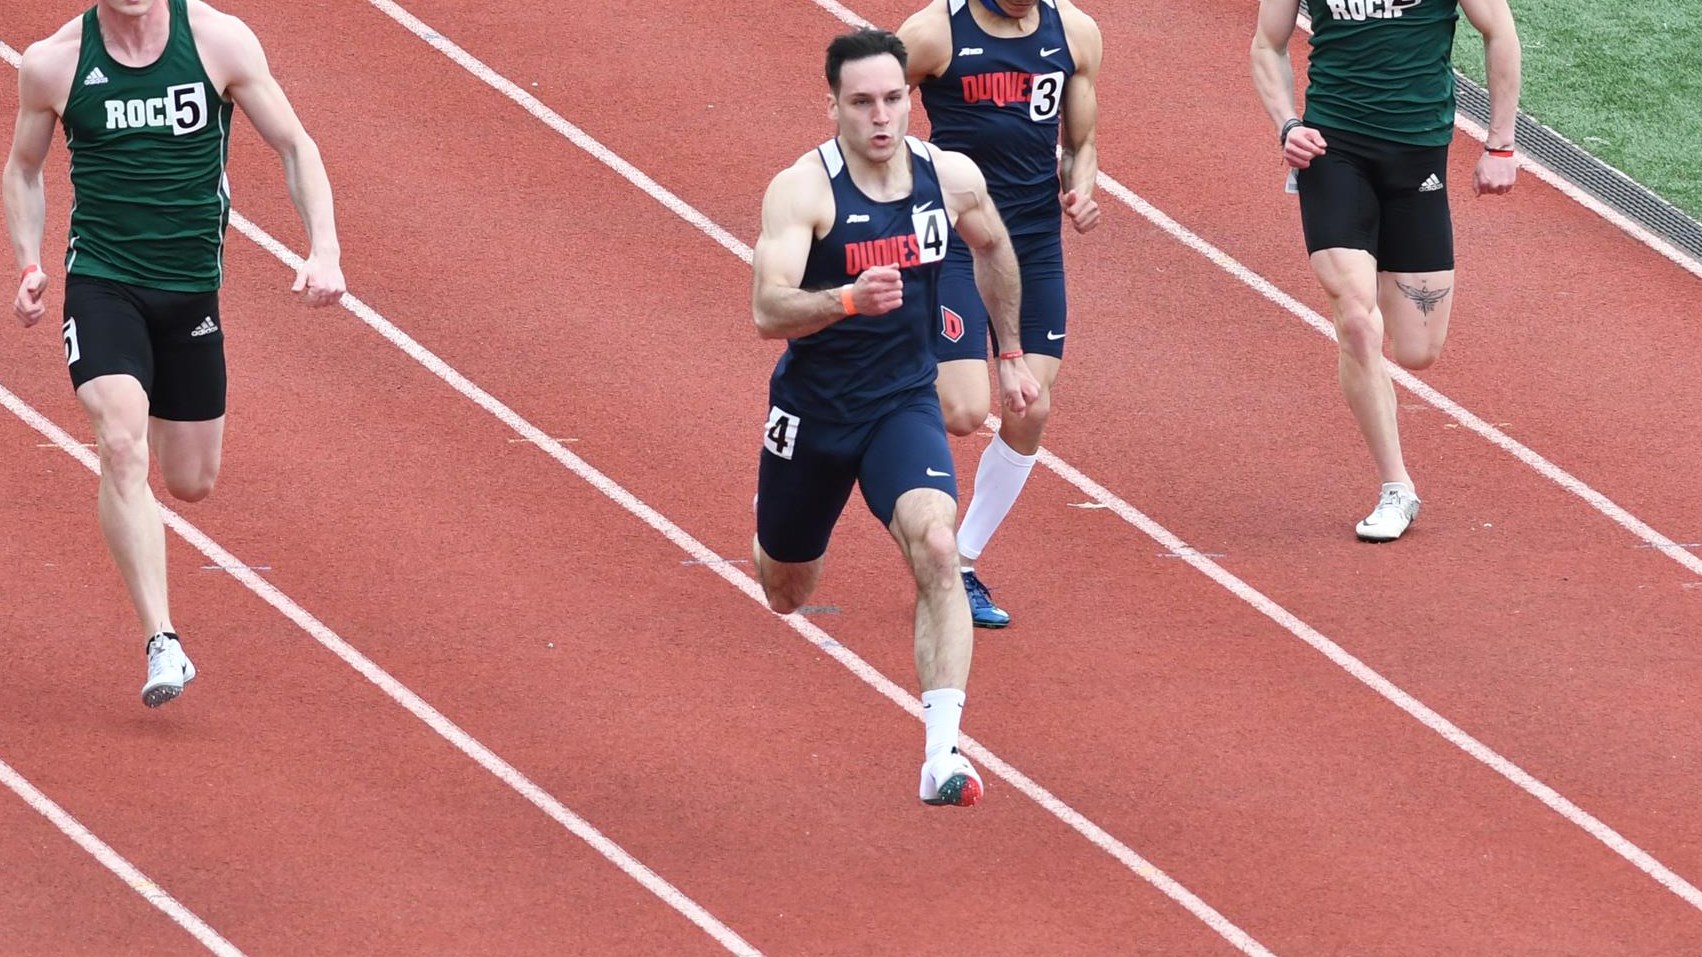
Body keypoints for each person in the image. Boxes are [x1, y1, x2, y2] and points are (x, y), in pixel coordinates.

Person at [4, 0, 345, 707]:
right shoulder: (54, 63)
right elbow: (24, 169)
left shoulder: (219, 42)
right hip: (103, 285)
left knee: (191, 480)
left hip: (190, 295)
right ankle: (162, 639)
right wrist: (30, 262)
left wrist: (325, 250)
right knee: (120, 441)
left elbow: (295, 145)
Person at [749, 27, 1039, 807]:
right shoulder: (803, 190)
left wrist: (1009, 352)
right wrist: (845, 299)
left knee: (938, 545)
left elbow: (994, 246)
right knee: (785, 587)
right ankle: (776, 514)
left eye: (893, 99)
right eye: (862, 102)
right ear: (835, 105)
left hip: (901, 403)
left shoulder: (948, 177)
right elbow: (766, 308)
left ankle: (942, 753)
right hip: (814, 412)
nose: (881, 117)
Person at [1251, 0, 1520, 541]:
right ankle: (1396, 487)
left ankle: (1373, 290)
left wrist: (1501, 144)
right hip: (1332, 152)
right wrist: (1287, 125)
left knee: (1419, 350)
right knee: (1355, 320)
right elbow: (1266, 44)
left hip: (1418, 155)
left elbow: (1500, 31)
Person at [896, 0, 1102, 628]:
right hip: (957, 238)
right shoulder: (933, 32)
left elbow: (1082, 142)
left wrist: (1081, 186)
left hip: (1033, 245)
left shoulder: (1075, 32)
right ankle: (866, 428)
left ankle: (959, 562)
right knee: (962, 411)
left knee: (1030, 405)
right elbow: (866, 114)